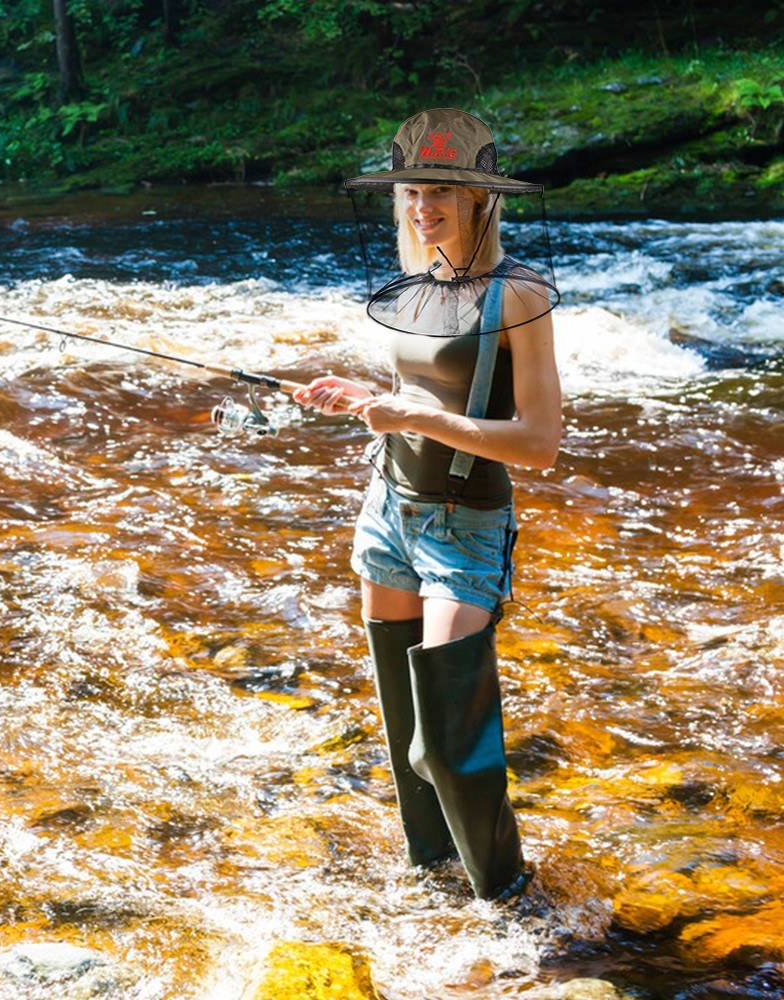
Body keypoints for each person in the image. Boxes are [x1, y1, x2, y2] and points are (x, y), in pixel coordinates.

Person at [293, 108, 561, 902]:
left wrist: (418, 417)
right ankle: (436, 878)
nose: (423, 205)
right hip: (388, 511)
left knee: (447, 743)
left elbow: (540, 444)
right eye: (412, 189)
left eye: (443, 188)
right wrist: (368, 397)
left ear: (482, 199)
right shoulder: (419, 284)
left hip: (464, 524)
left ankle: (509, 899)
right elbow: (420, 392)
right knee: (402, 729)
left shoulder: (518, 295)